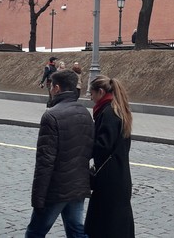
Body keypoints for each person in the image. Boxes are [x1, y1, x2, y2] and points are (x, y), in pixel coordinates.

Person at [26, 70, 94, 238]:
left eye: (50, 86)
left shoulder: (52, 115)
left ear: (56, 88)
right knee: (76, 230)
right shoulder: (85, 113)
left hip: (57, 189)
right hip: (78, 185)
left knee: (35, 232)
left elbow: (45, 161)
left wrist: (38, 198)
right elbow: (89, 150)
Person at [85, 76, 135, 238]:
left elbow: (102, 146)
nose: (90, 98)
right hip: (119, 175)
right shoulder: (118, 109)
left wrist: (83, 150)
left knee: (105, 223)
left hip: (109, 179)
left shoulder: (108, 113)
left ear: (100, 92)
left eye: (91, 94)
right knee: (117, 221)